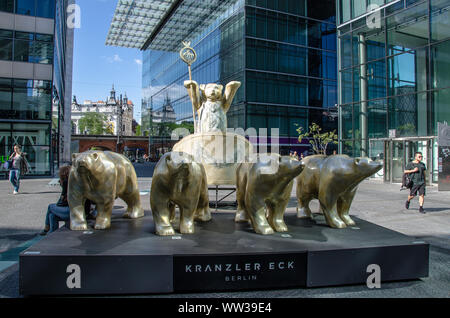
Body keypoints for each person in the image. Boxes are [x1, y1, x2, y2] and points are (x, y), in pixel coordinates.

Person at [40, 166, 72, 235]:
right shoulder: (72, 183)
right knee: (52, 215)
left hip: (71, 212)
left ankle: (46, 229)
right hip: (72, 211)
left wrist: (63, 187)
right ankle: (51, 232)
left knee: (50, 207)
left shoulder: (67, 183)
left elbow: (61, 203)